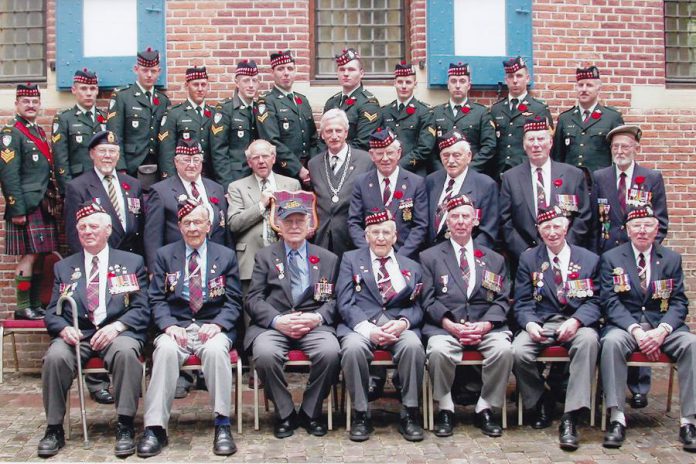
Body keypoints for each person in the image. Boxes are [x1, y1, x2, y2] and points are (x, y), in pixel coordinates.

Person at [38, 202, 149, 458]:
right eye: (83, 227)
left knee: (125, 353)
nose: (88, 231)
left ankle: (124, 424)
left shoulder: (131, 262)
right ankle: (54, 428)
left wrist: (118, 327)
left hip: (118, 332)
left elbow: (142, 308)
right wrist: (64, 329)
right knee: (54, 357)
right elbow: (52, 311)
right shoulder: (64, 267)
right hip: (77, 333)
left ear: (108, 229)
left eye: (93, 226)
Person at [136, 199, 242, 457]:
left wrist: (218, 324)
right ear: (180, 227)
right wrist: (169, 325)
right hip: (178, 326)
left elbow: (234, 300)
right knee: (164, 351)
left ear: (209, 226)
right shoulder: (164, 255)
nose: (193, 228)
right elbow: (156, 298)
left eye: (198, 222)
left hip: (213, 326)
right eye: (187, 223)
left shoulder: (225, 255)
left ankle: (222, 424)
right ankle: (155, 428)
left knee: (217, 352)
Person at [599, 206, 696, 452]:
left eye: (648, 225)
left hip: (661, 325)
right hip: (626, 326)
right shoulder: (611, 258)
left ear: (657, 229)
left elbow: (679, 301)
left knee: (692, 345)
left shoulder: (671, 259)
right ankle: (617, 418)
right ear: (628, 230)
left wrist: (662, 330)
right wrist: (636, 331)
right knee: (610, 344)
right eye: (636, 226)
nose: (642, 231)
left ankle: (689, 422)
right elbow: (610, 302)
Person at [245, 199, 341, 439]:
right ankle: (285, 413)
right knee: (265, 354)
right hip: (276, 325)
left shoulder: (328, 258)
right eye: (289, 221)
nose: (295, 226)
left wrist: (316, 317)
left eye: (300, 221)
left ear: (310, 225)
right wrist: (277, 320)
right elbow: (253, 298)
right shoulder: (265, 257)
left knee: (330, 352)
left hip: (314, 325)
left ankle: (311, 411)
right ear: (279, 224)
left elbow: (337, 300)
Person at [421, 194, 512, 438]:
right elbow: (427, 300)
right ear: (446, 222)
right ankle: (446, 407)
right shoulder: (429, 257)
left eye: (465, 217)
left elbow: (502, 299)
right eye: (455, 217)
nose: (460, 221)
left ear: (475, 221)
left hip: (485, 327)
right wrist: (449, 325)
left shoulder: (493, 259)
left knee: (504, 351)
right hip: (446, 326)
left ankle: (484, 406)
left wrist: (485, 324)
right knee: (438, 352)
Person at [512, 207, 600, 451]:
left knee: (589, 342)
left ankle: (571, 416)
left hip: (576, 321)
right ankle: (541, 399)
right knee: (518, 351)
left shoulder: (588, 259)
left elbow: (595, 300)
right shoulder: (529, 259)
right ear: (539, 231)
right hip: (541, 321)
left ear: (566, 227)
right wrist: (530, 324)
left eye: (557, 226)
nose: (552, 232)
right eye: (546, 228)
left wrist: (577, 321)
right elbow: (522, 301)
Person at [592, 124, 669, 406]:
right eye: (615, 147)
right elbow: (593, 220)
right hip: (608, 259)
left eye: (625, 146)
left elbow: (661, 221)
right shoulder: (601, 177)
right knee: (610, 319)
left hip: (641, 258)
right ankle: (607, 386)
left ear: (635, 147)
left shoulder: (651, 177)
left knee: (643, 312)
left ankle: (639, 387)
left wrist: (646, 249)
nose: (620, 151)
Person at [337, 210, 425, 442]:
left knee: (414, 346)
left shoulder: (411, 265)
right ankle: (360, 413)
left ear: (395, 237)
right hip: (361, 326)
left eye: (386, 232)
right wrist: (369, 330)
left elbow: (418, 306)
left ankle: (410, 413)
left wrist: (403, 323)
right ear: (366, 236)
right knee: (353, 349)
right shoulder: (351, 260)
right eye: (375, 232)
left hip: (398, 327)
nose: (381, 238)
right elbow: (344, 302)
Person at [0, 83, 59, 320]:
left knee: (41, 255)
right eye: (26, 102)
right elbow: (8, 173)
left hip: (41, 202)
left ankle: (34, 304)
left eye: (35, 101)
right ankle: (23, 305)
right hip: (26, 204)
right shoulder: (11, 132)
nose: (31, 105)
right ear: (17, 104)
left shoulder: (36, 131)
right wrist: (17, 208)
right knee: (29, 256)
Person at [500, 117, 592, 262]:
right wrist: (525, 254)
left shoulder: (573, 175)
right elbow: (505, 221)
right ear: (524, 145)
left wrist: (562, 247)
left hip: (566, 256)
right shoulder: (510, 178)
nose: (536, 144)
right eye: (531, 140)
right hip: (525, 258)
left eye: (541, 139)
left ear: (550, 142)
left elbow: (583, 216)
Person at [227, 139, 300, 294]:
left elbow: (300, 221)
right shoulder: (236, 187)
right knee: (252, 314)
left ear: (273, 158)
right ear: (249, 162)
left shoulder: (292, 185)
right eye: (255, 158)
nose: (261, 161)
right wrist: (260, 206)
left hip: (286, 260)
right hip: (250, 263)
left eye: (265, 156)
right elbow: (234, 224)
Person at [144, 138, 228, 272]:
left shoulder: (216, 188)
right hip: (176, 264)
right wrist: (155, 272)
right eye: (186, 160)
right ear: (176, 162)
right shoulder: (161, 191)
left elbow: (225, 230)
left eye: (196, 160)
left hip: (215, 265)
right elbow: (153, 237)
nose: (192, 165)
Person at [348, 128, 428, 260]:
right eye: (379, 153)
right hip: (369, 258)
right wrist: (369, 252)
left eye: (390, 153)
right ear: (372, 155)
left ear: (399, 153)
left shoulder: (416, 183)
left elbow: (420, 226)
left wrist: (400, 256)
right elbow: (354, 223)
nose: (385, 159)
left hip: (404, 257)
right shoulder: (361, 183)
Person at [64, 130, 144, 256]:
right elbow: (74, 235)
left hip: (132, 259)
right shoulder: (77, 187)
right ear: (92, 154)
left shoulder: (133, 184)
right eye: (102, 151)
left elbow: (140, 226)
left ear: (118, 155)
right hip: (98, 259)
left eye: (112, 151)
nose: (107, 156)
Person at [308, 109, 373, 258]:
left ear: (346, 132)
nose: (334, 136)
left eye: (338, 130)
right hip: (322, 239)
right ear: (322, 134)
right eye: (329, 131)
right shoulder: (314, 164)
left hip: (353, 239)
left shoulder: (366, 161)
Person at [425, 129, 498, 248]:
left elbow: (488, 233)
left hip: (466, 257)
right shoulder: (430, 181)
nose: (451, 161)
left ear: (469, 156)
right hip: (430, 258)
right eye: (446, 155)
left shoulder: (485, 185)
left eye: (456, 155)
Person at [106, 47, 170, 181]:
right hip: (131, 166)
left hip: (157, 168)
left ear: (159, 72)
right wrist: (120, 168)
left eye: (153, 71)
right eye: (145, 70)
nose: (149, 75)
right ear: (136, 69)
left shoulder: (163, 101)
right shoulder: (122, 96)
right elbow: (115, 135)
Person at [256, 50, 318, 184]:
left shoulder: (302, 100)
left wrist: (312, 166)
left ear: (295, 71)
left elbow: (313, 138)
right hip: (284, 172)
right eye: (280, 69)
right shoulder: (266, 101)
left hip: (309, 173)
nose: (286, 73)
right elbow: (272, 141)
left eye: (290, 68)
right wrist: (299, 169)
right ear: (272, 72)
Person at [552, 66, 624, 177]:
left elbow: (618, 155)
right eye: (580, 85)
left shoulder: (612, 118)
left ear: (598, 88)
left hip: (600, 182)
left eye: (589, 85)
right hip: (571, 182)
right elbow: (557, 157)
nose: (584, 89)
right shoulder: (564, 118)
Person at [489, 56, 553, 177]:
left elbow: (547, 145)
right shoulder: (496, 109)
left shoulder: (538, 108)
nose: (515, 80)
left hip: (526, 173)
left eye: (519, 76)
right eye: (510, 76)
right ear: (506, 80)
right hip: (498, 173)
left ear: (527, 78)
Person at [430, 63, 495, 172]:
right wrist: (442, 170)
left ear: (469, 85)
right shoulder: (436, 113)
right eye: (454, 81)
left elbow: (489, 147)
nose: (458, 85)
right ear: (448, 84)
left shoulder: (481, 113)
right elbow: (430, 149)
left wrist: (468, 170)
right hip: (442, 174)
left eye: (462, 81)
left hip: (472, 174)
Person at [52, 68, 108, 192]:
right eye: (83, 88)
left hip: (105, 183)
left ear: (97, 91)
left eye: (92, 88)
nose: (88, 93)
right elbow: (60, 159)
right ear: (74, 90)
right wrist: (68, 190)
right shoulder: (64, 119)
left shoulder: (105, 118)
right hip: (78, 184)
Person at [210, 60, 260, 189]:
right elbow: (219, 152)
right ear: (237, 82)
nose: (251, 85)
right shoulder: (225, 110)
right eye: (246, 81)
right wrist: (227, 185)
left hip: (258, 175)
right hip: (236, 176)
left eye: (254, 81)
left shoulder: (261, 109)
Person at [158, 66, 215, 179]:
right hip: (183, 176)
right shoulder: (174, 114)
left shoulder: (215, 114)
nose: (200, 89)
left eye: (203, 84)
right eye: (195, 84)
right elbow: (166, 152)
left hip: (210, 177)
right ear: (186, 86)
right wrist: (171, 180)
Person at [381, 62, 436, 176]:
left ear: (415, 84)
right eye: (400, 82)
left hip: (414, 172)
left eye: (408, 82)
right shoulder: (385, 111)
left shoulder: (425, 112)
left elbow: (425, 148)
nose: (404, 86)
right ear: (394, 83)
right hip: (387, 171)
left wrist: (399, 166)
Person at [321, 48, 381, 151]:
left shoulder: (368, 104)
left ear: (361, 73)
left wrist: (336, 155)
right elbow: (323, 138)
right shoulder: (332, 102)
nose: (346, 74)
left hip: (356, 161)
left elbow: (364, 143)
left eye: (351, 69)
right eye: (342, 69)